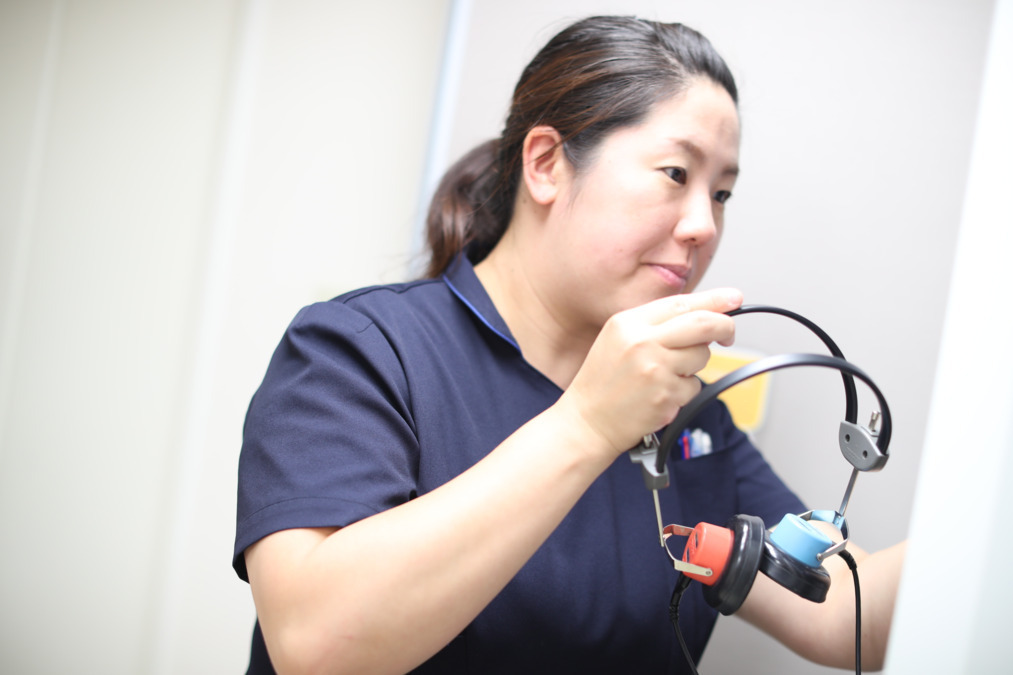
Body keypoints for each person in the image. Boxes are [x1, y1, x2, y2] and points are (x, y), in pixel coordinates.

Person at [234, 15, 905, 674]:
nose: (704, 223)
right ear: (546, 163)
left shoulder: (692, 422)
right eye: (676, 173)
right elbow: (314, 644)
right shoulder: (361, 351)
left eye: (721, 192)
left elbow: (849, 615)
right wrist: (586, 424)